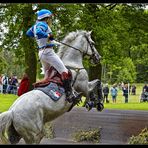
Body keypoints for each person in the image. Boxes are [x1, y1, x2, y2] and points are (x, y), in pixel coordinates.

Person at [26, 9, 76, 102]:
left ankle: (48, 94)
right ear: (46, 18)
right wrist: (48, 36)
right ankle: (69, 94)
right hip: (48, 52)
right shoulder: (43, 25)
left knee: (47, 76)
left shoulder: (35, 25)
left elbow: (28, 33)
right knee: (64, 72)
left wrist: (44, 37)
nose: (50, 20)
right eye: (50, 18)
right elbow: (39, 32)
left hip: (42, 53)